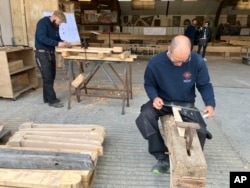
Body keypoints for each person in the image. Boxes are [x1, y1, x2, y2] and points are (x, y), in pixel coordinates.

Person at [135, 35, 215, 174]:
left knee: (201, 130)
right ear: (169, 50)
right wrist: (154, 97)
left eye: (184, 61)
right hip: (163, 102)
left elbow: (205, 85)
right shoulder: (155, 63)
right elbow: (149, 84)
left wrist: (210, 103)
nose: (180, 64)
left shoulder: (197, 61)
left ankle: (191, 160)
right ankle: (162, 157)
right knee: (145, 117)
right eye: (177, 61)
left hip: (185, 103)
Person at [35, 10, 71, 108]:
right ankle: (52, 100)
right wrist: (57, 44)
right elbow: (41, 38)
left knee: (51, 76)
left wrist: (63, 42)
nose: (59, 24)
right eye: (59, 22)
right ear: (54, 17)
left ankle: (46, 98)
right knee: (47, 77)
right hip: (42, 54)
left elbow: (56, 38)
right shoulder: (43, 23)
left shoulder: (55, 26)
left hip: (50, 53)